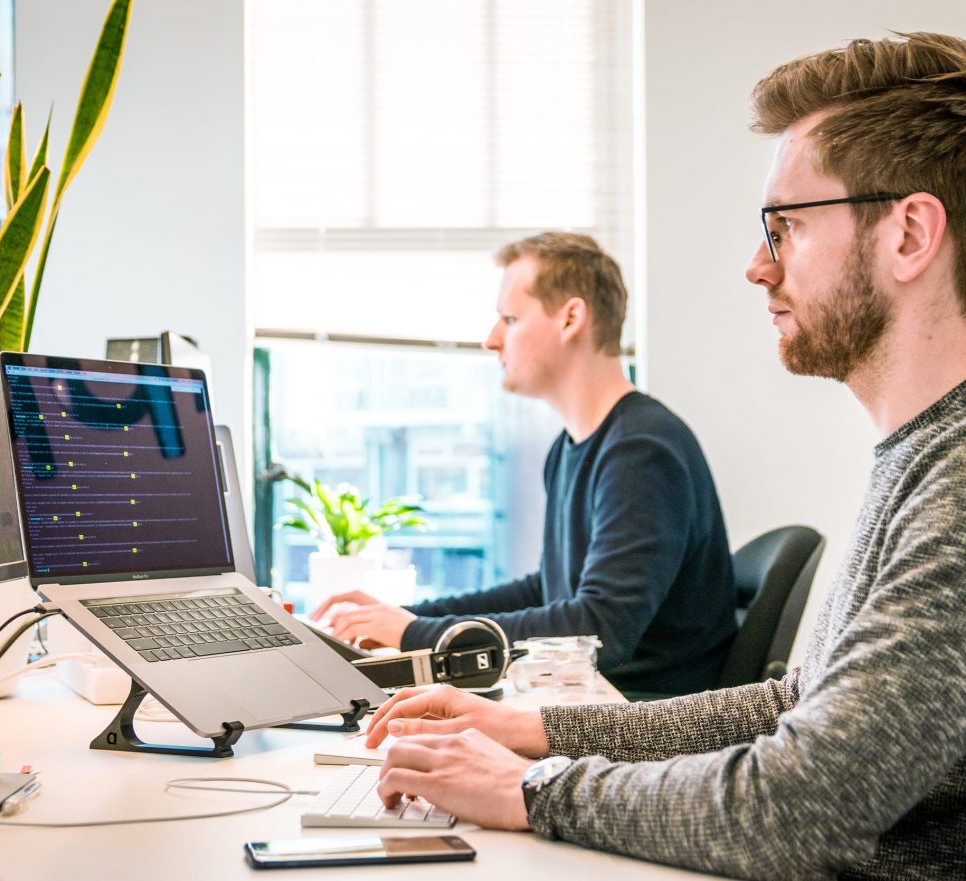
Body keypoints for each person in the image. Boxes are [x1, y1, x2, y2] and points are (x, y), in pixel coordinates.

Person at [361, 32, 966, 881]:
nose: (757, 265)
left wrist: (536, 787)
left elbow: (800, 805)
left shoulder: (956, 487)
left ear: (908, 234)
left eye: (785, 227)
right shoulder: (917, 457)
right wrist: (530, 731)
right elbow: (792, 704)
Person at [314, 232, 737, 697]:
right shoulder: (573, 447)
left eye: (510, 319)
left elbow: (598, 630)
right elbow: (548, 591)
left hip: (640, 719)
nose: (491, 340)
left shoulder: (642, 451)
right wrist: (410, 618)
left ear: (571, 318)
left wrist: (415, 635)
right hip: (591, 700)